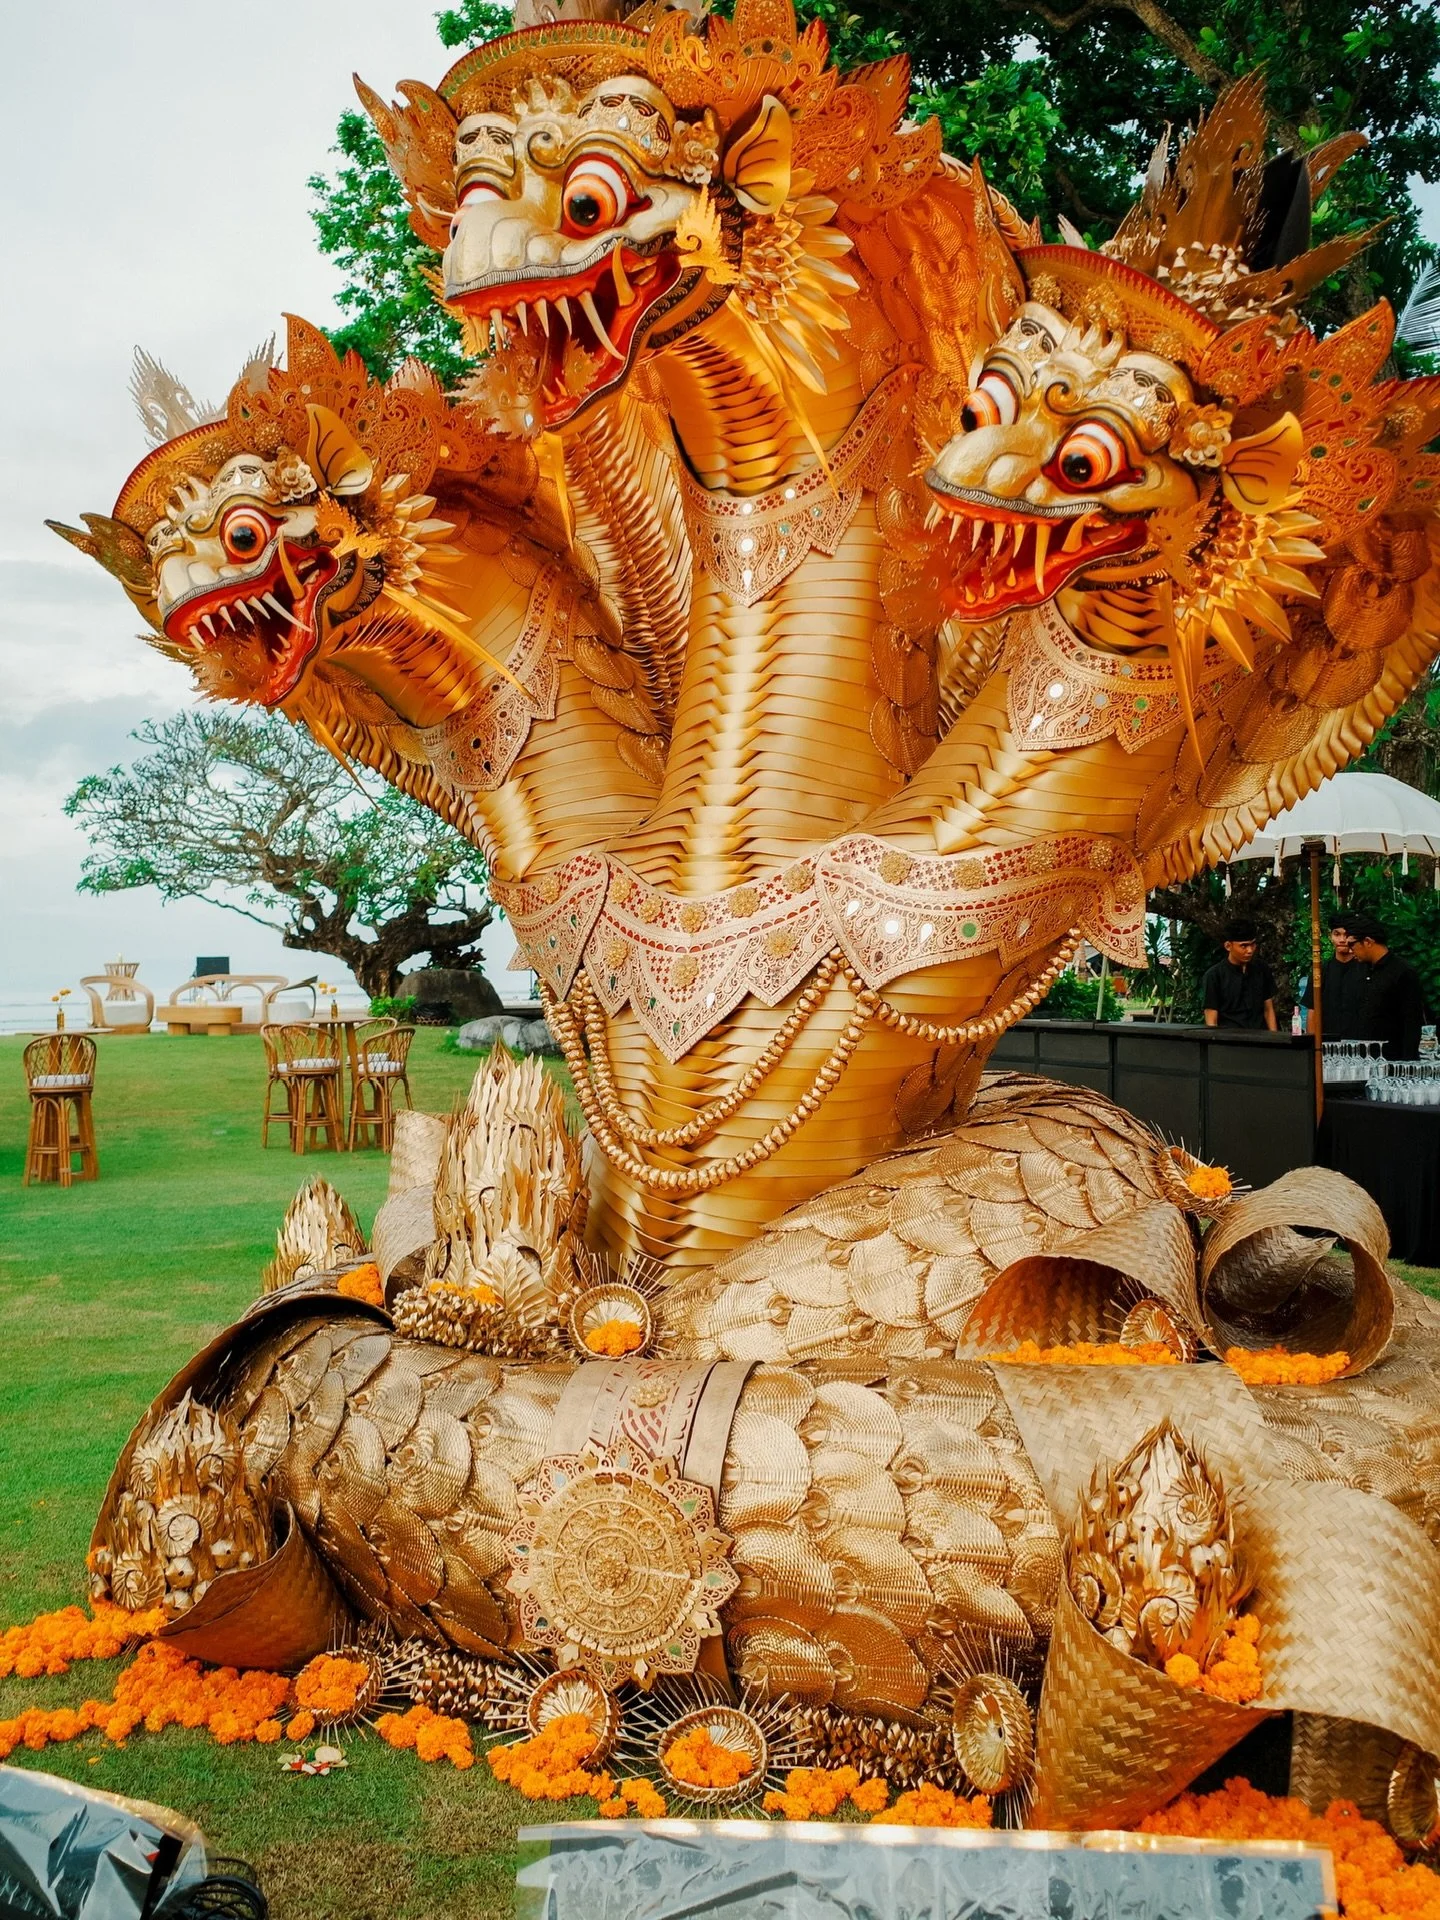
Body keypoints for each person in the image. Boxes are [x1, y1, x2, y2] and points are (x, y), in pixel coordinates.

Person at [1349, 913, 1425, 1060]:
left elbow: (1412, 1023)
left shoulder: (1402, 972)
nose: (1351, 951)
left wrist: (1406, 1066)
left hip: (1393, 1061)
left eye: (1353, 945)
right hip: (1362, 1060)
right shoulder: (1359, 970)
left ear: (1368, 941)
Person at [1201, 920, 1279, 1031]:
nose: (1250, 950)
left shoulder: (1262, 969)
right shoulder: (1214, 975)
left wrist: (1274, 1038)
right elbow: (1211, 1016)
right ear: (1228, 946)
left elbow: (1268, 1008)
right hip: (1230, 1040)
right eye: (1244, 946)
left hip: (1261, 1037)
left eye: (1253, 944)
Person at [1303, 915, 1366, 1040]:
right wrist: (1312, 1044)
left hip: (1360, 1042)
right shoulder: (1320, 971)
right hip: (1328, 1042)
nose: (1342, 940)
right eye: (1337, 934)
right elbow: (1312, 1010)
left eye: (1346, 935)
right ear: (1330, 936)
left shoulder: (1365, 969)